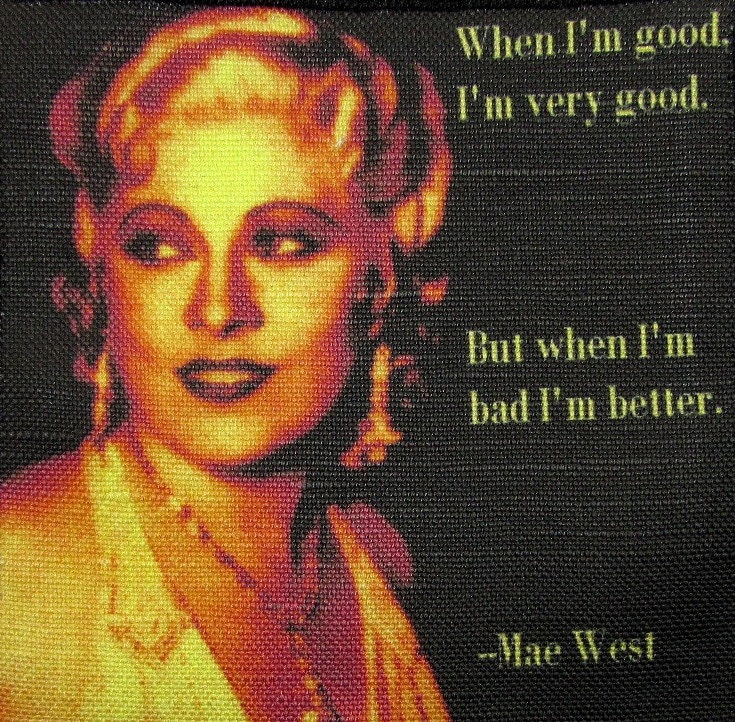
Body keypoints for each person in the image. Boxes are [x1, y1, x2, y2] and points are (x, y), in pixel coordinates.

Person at [0, 7, 451, 720]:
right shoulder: (19, 576)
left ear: (380, 278)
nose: (217, 309)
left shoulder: (380, 558)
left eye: (284, 244)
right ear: (102, 275)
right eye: (158, 246)